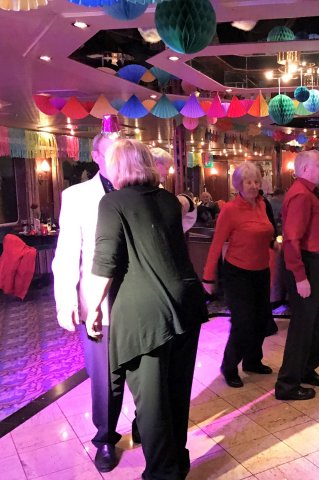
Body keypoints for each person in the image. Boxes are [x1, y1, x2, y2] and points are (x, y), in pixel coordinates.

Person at [84, 139, 207, 480]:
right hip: (186, 306)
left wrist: (93, 309)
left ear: (118, 167)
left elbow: (105, 261)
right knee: (176, 392)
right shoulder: (167, 200)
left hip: (146, 316)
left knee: (152, 405)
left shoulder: (113, 202)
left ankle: (163, 473)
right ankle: (178, 461)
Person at [52, 132, 126, 473]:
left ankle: (144, 423)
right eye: (110, 153)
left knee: (145, 371)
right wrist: (66, 299)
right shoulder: (77, 196)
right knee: (104, 376)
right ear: (95, 156)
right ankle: (105, 438)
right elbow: (67, 252)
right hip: (98, 302)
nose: (117, 159)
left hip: (138, 298)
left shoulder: (137, 190)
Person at [202, 162, 277, 388]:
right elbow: (216, 244)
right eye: (248, 182)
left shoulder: (263, 204)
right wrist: (208, 277)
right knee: (243, 322)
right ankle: (229, 366)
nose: (253, 186)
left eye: (256, 181)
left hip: (261, 271)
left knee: (260, 319)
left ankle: (253, 361)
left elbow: (267, 234)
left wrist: (273, 245)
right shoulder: (230, 210)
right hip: (238, 274)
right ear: (239, 185)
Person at [275, 150, 319, 401]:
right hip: (305, 264)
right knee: (303, 326)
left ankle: (306, 370)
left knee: (316, 321)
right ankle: (287, 384)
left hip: (312, 263)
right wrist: (300, 276)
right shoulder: (300, 195)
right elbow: (291, 240)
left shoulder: (308, 193)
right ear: (306, 169)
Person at [150, 147, 197, 232]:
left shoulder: (156, 186)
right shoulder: (148, 188)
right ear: (156, 164)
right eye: (167, 168)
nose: (168, 173)